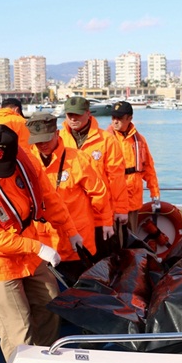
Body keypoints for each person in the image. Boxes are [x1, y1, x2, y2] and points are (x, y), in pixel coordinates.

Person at [0, 125, 83, 361]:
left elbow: (49, 198)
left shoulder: (27, 162)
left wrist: (70, 231)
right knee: (18, 329)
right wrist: (39, 248)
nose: (1, 173)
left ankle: (46, 361)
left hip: (28, 251)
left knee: (50, 303)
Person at [27, 113, 112, 285]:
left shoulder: (78, 160)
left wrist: (105, 221)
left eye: (46, 139)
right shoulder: (28, 161)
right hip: (43, 242)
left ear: (57, 134)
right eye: (38, 141)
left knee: (81, 291)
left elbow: (99, 194)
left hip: (77, 241)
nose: (42, 145)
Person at [59, 97, 129, 259]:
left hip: (99, 214)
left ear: (88, 114)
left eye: (77, 114)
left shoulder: (106, 140)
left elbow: (116, 178)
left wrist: (121, 209)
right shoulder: (59, 140)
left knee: (103, 261)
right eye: (69, 115)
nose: (73, 119)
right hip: (73, 216)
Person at [107, 101, 161, 233]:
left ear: (129, 118)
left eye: (119, 118)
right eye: (113, 117)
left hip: (133, 201)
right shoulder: (105, 139)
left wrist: (155, 193)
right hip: (112, 202)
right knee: (114, 241)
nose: (115, 121)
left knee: (131, 239)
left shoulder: (139, 140)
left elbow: (148, 168)